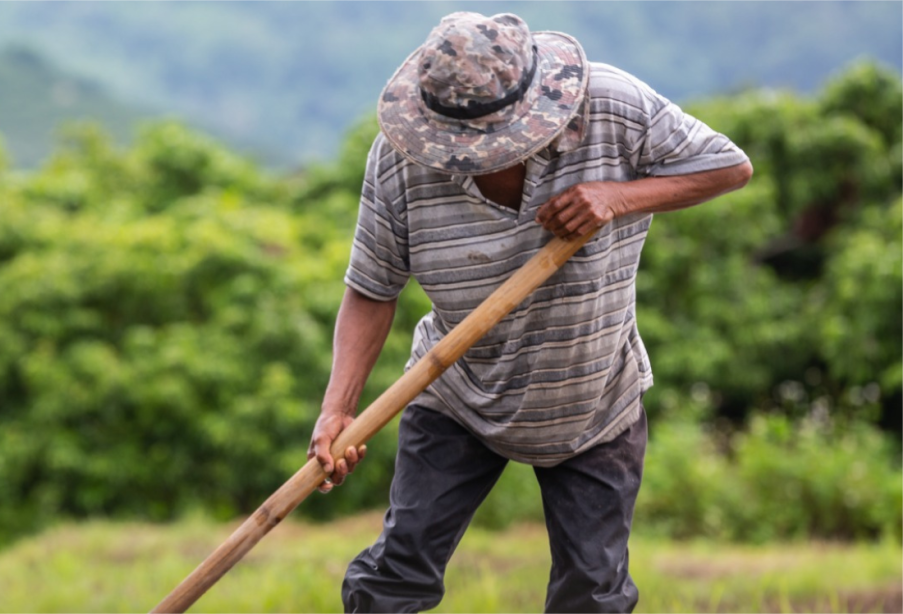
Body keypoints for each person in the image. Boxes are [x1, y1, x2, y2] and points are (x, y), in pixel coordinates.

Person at [307, 11, 753, 614]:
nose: (476, 155)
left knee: (592, 593)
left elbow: (729, 166)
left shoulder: (611, 106)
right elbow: (371, 287)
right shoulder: (400, 161)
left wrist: (617, 196)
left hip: (593, 400)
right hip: (456, 391)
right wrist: (337, 409)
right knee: (395, 575)